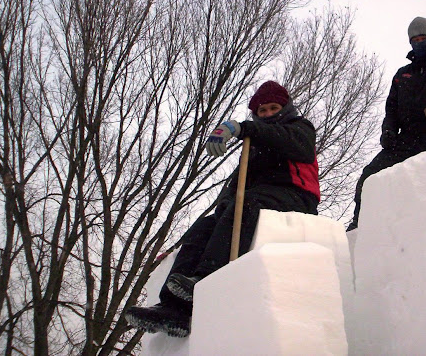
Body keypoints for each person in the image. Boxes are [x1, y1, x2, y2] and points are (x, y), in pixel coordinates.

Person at [125, 81, 320, 336]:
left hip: (296, 196)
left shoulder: (299, 128)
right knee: (208, 222)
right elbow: (234, 189)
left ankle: (206, 280)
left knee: (245, 204)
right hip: (258, 197)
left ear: (285, 107)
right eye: (262, 111)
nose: (269, 114)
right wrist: (184, 241)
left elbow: (293, 143)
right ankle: (173, 307)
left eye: (273, 108)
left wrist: (243, 128)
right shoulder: (255, 148)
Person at [347, 17, 426, 231]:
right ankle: (360, 227)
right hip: (404, 140)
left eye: (424, 38)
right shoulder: (402, 74)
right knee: (370, 177)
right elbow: (391, 109)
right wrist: (388, 131)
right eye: (415, 39)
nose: (419, 43)